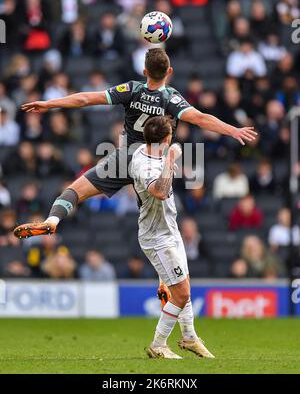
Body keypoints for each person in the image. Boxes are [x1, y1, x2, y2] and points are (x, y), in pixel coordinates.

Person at [14, 47, 256, 240]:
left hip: (124, 158)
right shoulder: (171, 98)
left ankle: (52, 221)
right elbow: (201, 119)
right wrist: (233, 130)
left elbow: (87, 98)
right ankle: (167, 278)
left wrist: (49, 103)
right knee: (162, 225)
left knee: (74, 192)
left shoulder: (131, 89)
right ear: (169, 71)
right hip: (152, 163)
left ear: (144, 71)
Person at [130, 116, 214, 359]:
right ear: (166, 139)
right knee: (182, 293)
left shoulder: (147, 152)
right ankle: (158, 344)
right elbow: (159, 191)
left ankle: (190, 337)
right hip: (157, 237)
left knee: (183, 286)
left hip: (170, 230)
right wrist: (170, 160)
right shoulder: (144, 164)